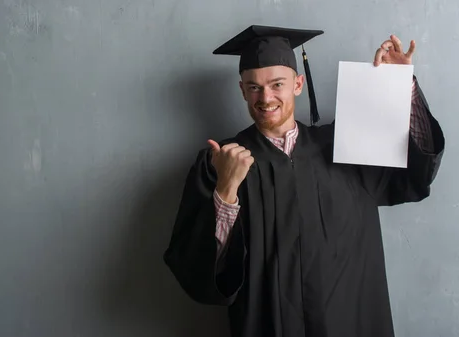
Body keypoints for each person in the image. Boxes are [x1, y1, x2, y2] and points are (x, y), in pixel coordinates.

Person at [163, 25, 445, 337]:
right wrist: (226, 190)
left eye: (277, 84)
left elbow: (416, 174)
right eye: (254, 87)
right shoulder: (220, 161)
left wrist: (401, 86)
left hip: (350, 321)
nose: (265, 97)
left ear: (297, 84)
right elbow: (198, 270)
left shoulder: (346, 144)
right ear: (242, 90)